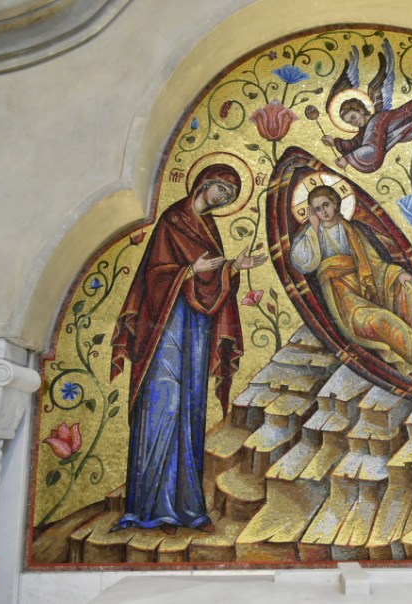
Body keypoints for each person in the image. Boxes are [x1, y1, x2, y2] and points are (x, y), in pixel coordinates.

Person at [110, 163, 267, 533]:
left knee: (189, 410)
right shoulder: (172, 220)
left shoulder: (209, 228)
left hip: (196, 331)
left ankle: (186, 507)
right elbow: (152, 276)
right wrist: (190, 271)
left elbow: (212, 280)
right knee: (162, 407)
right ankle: (146, 507)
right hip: (164, 330)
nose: (222, 198)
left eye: (229, 196)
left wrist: (232, 267)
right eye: (221, 190)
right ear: (204, 183)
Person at [291, 184, 412, 390]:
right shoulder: (312, 233)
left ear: (336, 203)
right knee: (382, 321)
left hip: (366, 286)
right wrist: (313, 229)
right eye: (317, 209)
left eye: (326, 205)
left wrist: (398, 274)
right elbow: (304, 264)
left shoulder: (352, 230)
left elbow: (374, 265)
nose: (323, 212)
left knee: (408, 290)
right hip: (344, 299)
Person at [321, 83, 412, 173]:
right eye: (349, 122)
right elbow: (355, 143)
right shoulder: (365, 129)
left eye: (353, 117)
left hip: (409, 120)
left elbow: (373, 148)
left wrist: (348, 159)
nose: (354, 122)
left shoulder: (378, 120)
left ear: (360, 110)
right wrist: (335, 142)